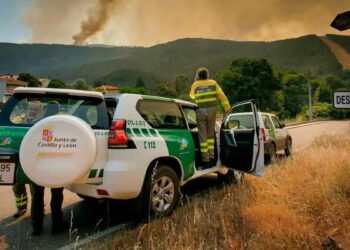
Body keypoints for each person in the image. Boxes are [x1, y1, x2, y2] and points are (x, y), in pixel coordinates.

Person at [30, 100, 69, 236]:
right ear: (58, 109)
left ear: (46, 109)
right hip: (56, 166)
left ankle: (36, 228)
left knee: (37, 196)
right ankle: (56, 226)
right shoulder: (62, 124)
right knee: (57, 195)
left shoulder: (37, 123)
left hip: (38, 165)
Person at [190, 67, 231, 169]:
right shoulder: (213, 83)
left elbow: (191, 96)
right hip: (212, 110)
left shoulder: (196, 84)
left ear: (198, 75)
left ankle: (205, 160)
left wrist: (198, 86)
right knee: (210, 136)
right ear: (207, 75)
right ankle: (212, 158)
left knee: (202, 137)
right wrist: (227, 108)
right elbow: (222, 96)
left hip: (200, 111)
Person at [12, 100, 43, 218]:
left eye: (36, 110)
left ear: (40, 112)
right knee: (17, 185)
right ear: (27, 109)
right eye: (31, 109)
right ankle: (21, 208)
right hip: (18, 157)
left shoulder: (41, 123)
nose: (33, 111)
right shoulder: (19, 120)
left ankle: (37, 209)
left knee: (34, 187)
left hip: (32, 159)